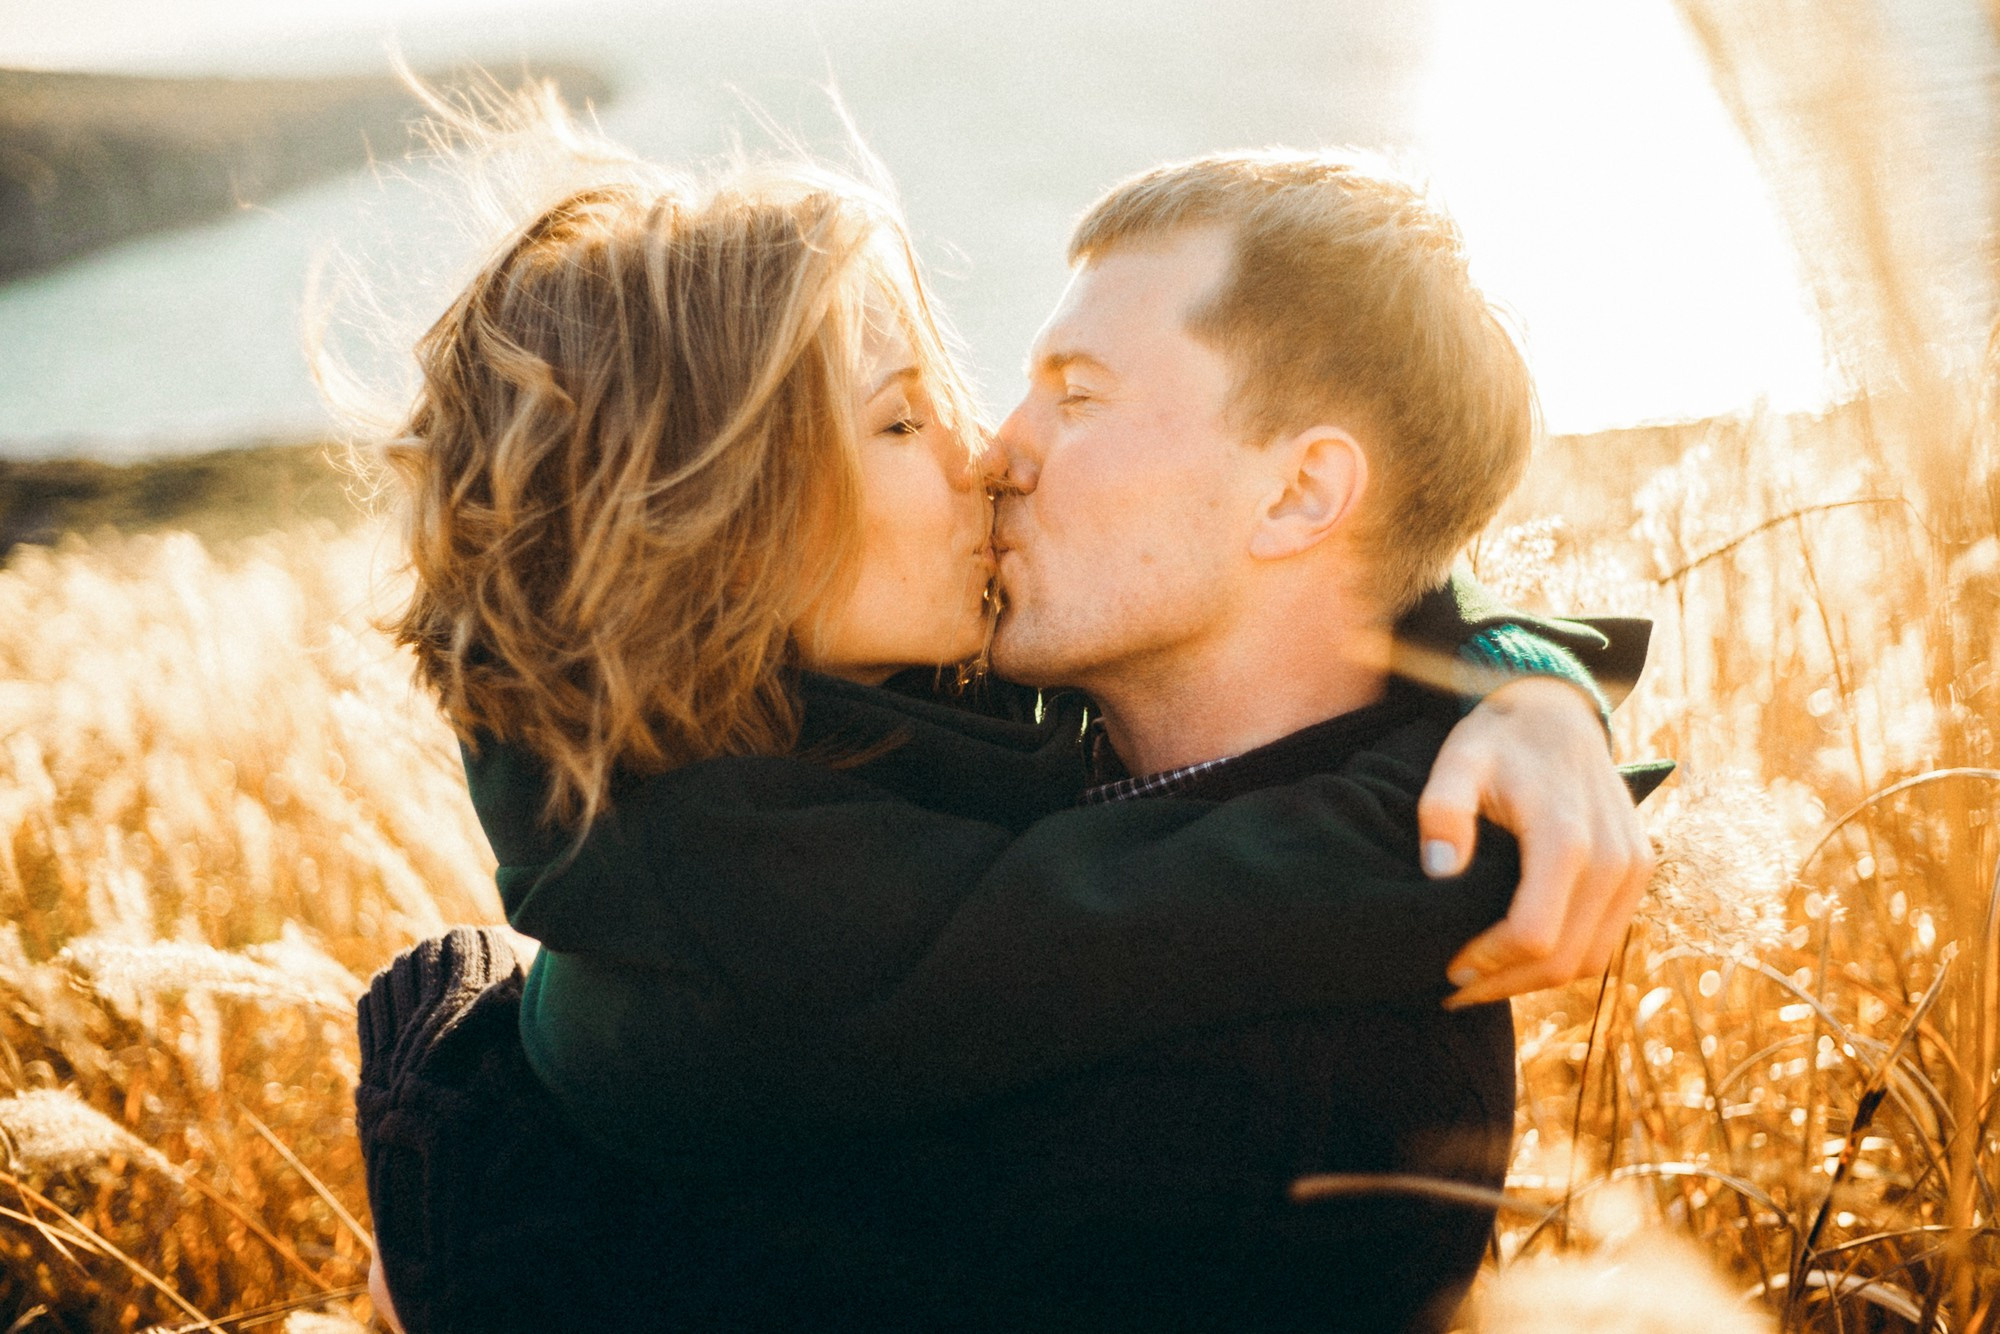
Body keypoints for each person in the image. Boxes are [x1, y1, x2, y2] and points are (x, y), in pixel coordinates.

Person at [355, 104, 1663, 1333]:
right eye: (902, 418)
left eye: (1077, 396)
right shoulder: (869, 806)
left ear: (1299, 496)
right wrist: (1520, 689)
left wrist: (1521, 678)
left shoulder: (1268, 1125)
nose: (991, 451)